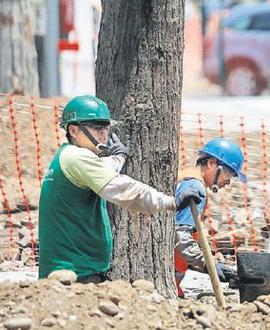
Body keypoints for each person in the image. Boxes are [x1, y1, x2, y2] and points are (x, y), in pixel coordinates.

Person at [38, 95, 204, 283]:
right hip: (74, 271)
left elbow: (98, 170)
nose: (104, 134)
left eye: (106, 127)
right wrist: (171, 202)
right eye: (97, 127)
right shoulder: (77, 158)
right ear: (74, 130)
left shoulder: (68, 156)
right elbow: (123, 189)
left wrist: (118, 158)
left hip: (73, 267)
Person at [174, 137, 247, 298]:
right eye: (228, 173)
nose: (228, 181)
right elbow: (180, 236)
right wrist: (209, 266)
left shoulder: (186, 178)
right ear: (212, 163)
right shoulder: (195, 187)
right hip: (169, 275)